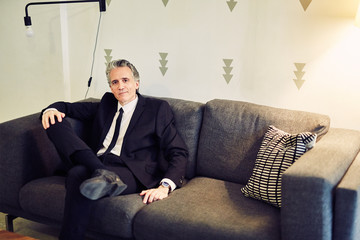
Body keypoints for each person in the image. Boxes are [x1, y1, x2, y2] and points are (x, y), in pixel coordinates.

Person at [41, 59, 189, 240]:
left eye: (125, 80)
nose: (121, 86)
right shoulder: (106, 103)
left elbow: (178, 151)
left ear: (137, 83)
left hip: (129, 171)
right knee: (53, 121)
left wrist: (165, 186)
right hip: (100, 162)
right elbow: (68, 108)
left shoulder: (157, 109)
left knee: (75, 175)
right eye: (115, 82)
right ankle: (100, 171)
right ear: (111, 87)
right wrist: (50, 109)